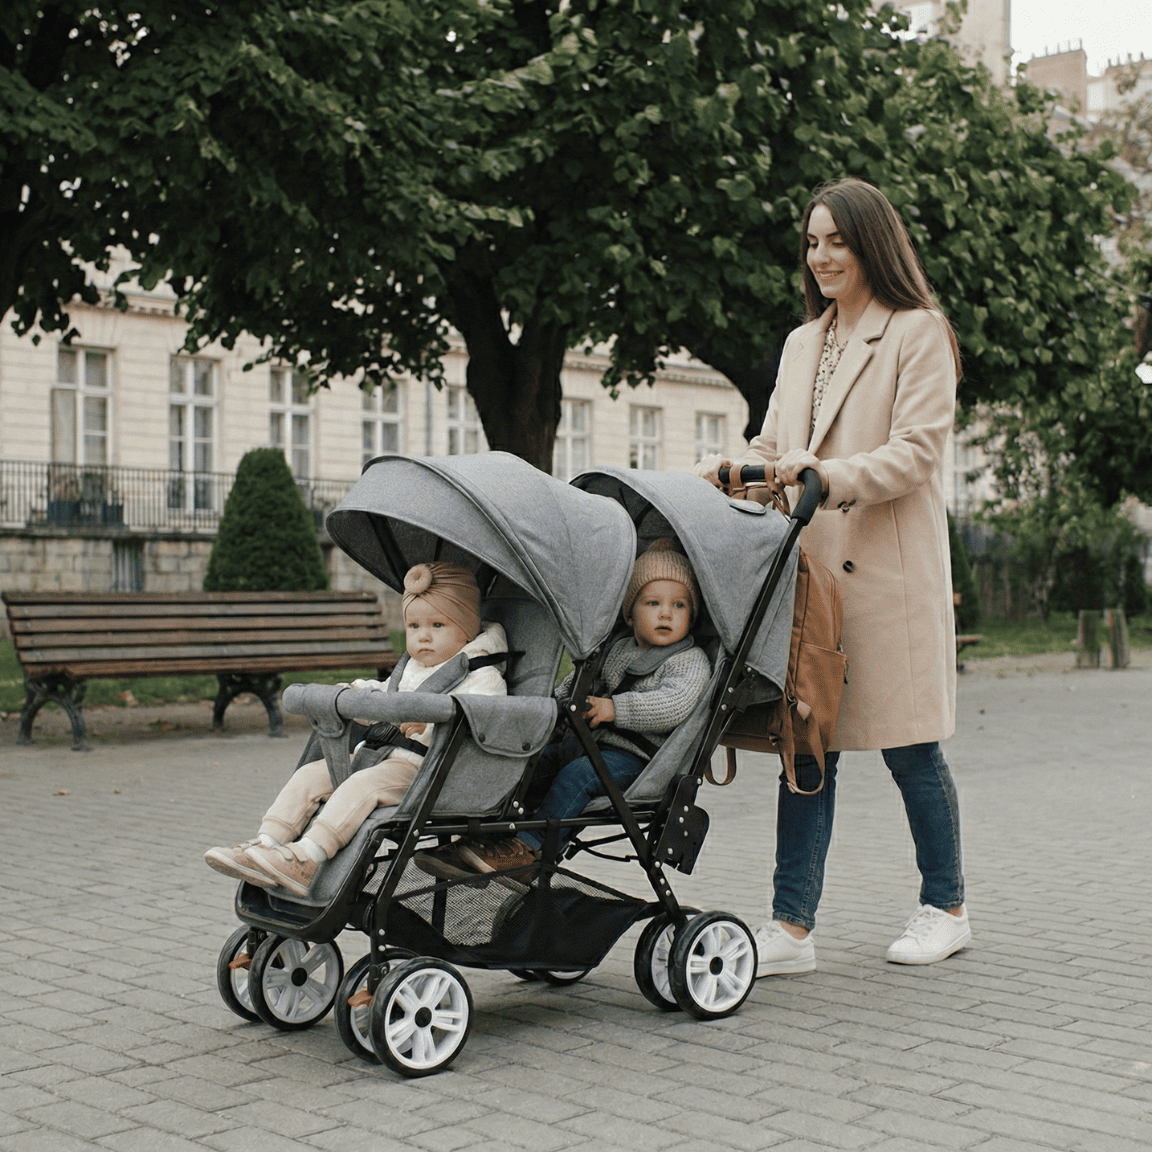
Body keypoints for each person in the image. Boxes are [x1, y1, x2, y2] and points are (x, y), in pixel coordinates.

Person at [696, 176, 970, 973]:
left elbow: (918, 450)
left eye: (836, 241)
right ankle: (792, 928)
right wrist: (739, 465)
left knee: (911, 748)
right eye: (812, 242)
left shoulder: (919, 333)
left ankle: (947, 906)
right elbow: (776, 439)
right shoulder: (801, 343)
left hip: (887, 576)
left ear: (871, 244)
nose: (820, 256)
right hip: (814, 581)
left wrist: (831, 475)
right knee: (806, 750)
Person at [204, 562, 507, 896]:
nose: (424, 635)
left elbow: (486, 718)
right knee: (312, 774)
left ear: (467, 629)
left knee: (361, 785)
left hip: (426, 771)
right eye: (414, 625)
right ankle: (264, 845)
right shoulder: (415, 668)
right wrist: (349, 695)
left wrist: (438, 719)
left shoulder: (481, 676)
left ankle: (307, 858)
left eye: (438, 624)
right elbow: (386, 693)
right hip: (380, 755)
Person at [434, 539, 711, 875]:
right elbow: (581, 684)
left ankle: (527, 847)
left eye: (680, 605)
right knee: (527, 766)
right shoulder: (617, 648)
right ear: (631, 613)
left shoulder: (688, 660)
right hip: (584, 746)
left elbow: (674, 705)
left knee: (578, 777)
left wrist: (615, 709)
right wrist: (556, 708)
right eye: (653, 603)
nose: (666, 612)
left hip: (636, 760)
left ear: (692, 614)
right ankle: (486, 836)